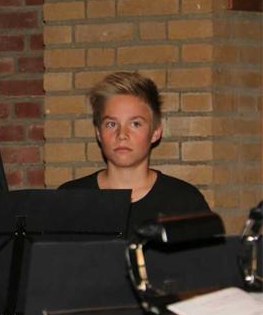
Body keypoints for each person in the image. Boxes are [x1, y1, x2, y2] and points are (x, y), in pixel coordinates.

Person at [59, 71, 209, 233]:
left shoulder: (185, 203)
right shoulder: (69, 199)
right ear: (98, 133)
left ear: (155, 132)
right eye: (111, 124)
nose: (122, 135)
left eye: (135, 124)